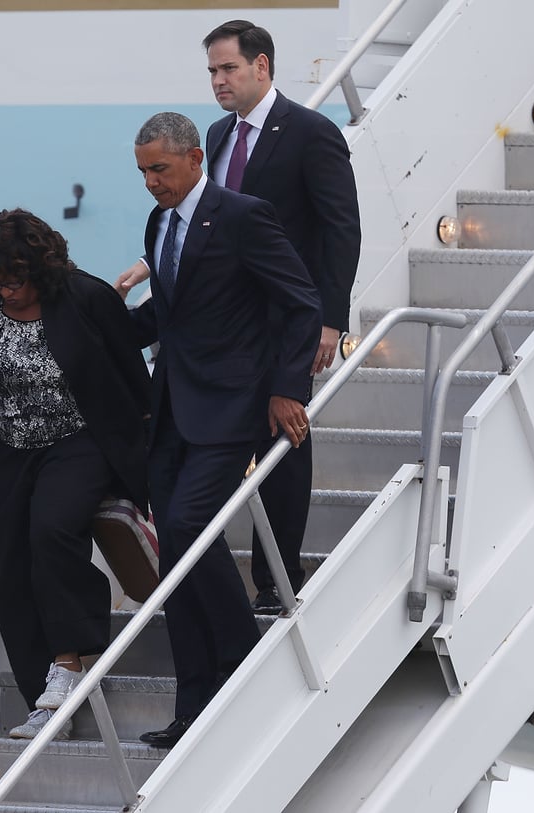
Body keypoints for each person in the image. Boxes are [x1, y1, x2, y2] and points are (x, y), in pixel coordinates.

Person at [118, 20, 361, 614]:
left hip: (289, 316)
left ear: (262, 67)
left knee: (285, 439)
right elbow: (204, 219)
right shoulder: (218, 135)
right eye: (212, 71)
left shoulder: (311, 132)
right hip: (227, 321)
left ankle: (279, 577)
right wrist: (156, 265)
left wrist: (331, 318)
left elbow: (340, 228)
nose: (218, 81)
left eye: (228, 69)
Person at [0, 209, 151, 740]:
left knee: (53, 531)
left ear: (38, 268)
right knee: (10, 565)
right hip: (8, 446)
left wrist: (142, 456)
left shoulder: (87, 299)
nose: (7, 291)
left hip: (79, 440)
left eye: (15, 280)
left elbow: (132, 379)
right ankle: (41, 699)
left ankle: (71, 660)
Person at [128, 112, 322, 747]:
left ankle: (241, 660)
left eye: (160, 168)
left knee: (187, 526)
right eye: (144, 171)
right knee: (175, 555)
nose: (151, 182)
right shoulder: (159, 223)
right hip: (173, 411)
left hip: (231, 407)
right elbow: (172, 311)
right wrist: (99, 321)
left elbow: (299, 300)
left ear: (194, 160)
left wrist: (288, 387)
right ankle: (193, 709)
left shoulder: (242, 215)